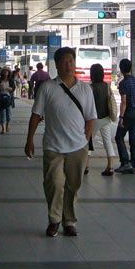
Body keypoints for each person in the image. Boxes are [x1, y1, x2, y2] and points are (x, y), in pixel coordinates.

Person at [25, 47, 96, 237]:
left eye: (71, 61)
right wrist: (29, 140)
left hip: (77, 148)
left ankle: (69, 221)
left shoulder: (84, 89)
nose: (69, 64)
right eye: (64, 61)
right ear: (56, 64)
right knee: (54, 184)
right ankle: (54, 219)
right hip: (53, 146)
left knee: (73, 185)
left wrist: (85, 141)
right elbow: (36, 115)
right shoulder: (48, 87)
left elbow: (91, 118)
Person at [88, 64, 118, 176]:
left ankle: (85, 166)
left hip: (94, 118)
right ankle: (110, 167)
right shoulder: (107, 86)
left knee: (88, 141)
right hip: (106, 118)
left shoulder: (91, 87)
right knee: (108, 142)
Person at [115, 58, 135, 174]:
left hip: (128, 113)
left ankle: (125, 162)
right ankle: (134, 163)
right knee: (133, 139)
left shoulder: (123, 83)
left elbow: (124, 102)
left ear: (121, 69)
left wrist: (121, 117)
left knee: (119, 137)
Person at [0, 67, 16, 133]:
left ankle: (7, 124)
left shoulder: (11, 80)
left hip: (8, 99)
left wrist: (6, 87)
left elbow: (13, 89)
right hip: (1, 99)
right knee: (2, 114)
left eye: (7, 72)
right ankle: (3, 128)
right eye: (4, 72)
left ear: (9, 73)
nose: (5, 73)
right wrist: (0, 88)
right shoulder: (0, 80)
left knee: (8, 114)